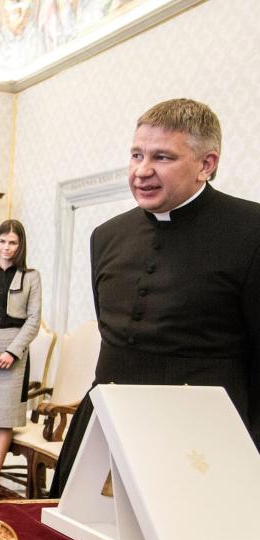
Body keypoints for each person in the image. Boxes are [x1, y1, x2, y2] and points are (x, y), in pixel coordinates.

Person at [51, 98, 260, 496]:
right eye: (136, 155)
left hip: (203, 442)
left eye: (162, 157)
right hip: (105, 432)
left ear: (206, 164)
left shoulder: (252, 233)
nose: (142, 171)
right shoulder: (107, 236)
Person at [0, 219, 41, 500]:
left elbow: (34, 320)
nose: (7, 247)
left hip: (13, 351)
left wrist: (11, 352)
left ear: (20, 245)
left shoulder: (31, 276)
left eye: (13, 242)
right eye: (3, 241)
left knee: (2, 419)